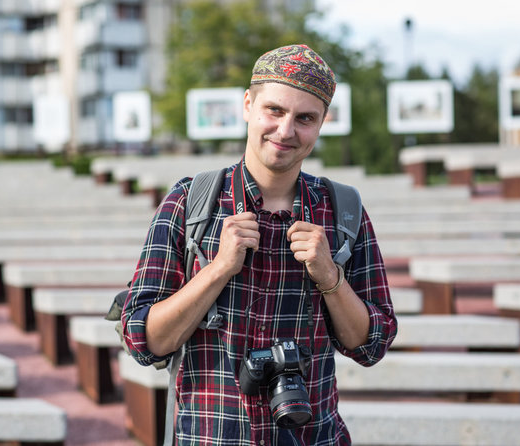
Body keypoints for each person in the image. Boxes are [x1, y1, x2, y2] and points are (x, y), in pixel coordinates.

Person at [121, 44, 397, 445]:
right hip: (212, 437)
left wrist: (329, 277)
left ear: (322, 124)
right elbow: (144, 341)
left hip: (312, 437)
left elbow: (371, 344)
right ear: (248, 104)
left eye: (305, 118)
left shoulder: (343, 211)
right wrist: (218, 269)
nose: (286, 131)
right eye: (275, 110)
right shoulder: (190, 202)